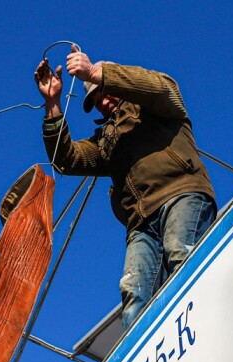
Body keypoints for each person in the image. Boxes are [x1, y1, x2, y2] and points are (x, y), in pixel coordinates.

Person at [35, 49, 217, 331]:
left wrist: (97, 73)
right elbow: (65, 158)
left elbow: (159, 86)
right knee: (134, 296)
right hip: (141, 225)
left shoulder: (155, 104)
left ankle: (205, 331)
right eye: (95, 101)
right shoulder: (107, 141)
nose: (102, 102)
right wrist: (53, 104)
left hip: (180, 194)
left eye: (104, 93)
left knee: (181, 257)